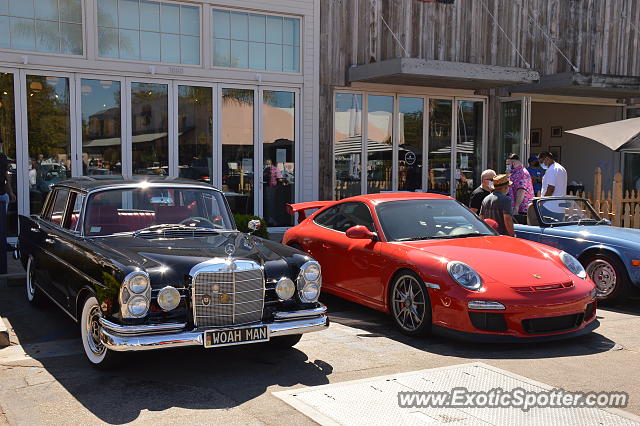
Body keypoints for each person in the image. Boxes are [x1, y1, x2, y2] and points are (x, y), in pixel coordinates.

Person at [538, 151, 568, 222]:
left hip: (549, 207)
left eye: (542, 162)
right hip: (560, 209)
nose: (542, 164)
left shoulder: (551, 170)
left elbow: (551, 188)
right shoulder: (562, 168)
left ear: (547, 159)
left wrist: (541, 202)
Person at [506, 154, 534, 223]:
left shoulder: (521, 173)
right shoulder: (514, 172)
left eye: (508, 164)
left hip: (521, 210)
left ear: (513, 163)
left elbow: (521, 190)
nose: (507, 167)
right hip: (517, 208)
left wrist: (516, 207)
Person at [0, 138, 16, 213]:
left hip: (2, 192)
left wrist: (10, 192)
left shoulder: (3, 157)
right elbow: (6, 176)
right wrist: (11, 192)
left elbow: (6, 175)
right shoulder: (3, 157)